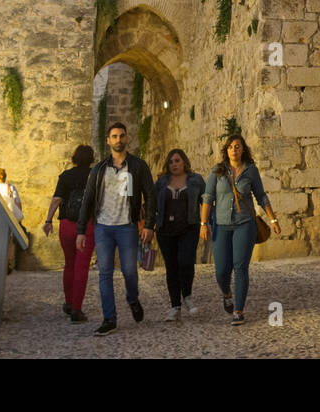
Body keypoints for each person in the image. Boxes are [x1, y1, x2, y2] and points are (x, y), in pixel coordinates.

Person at [76, 122, 155, 336]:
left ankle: (132, 298)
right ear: (108, 141)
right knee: (105, 273)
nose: (118, 140)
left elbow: (150, 195)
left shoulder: (138, 166)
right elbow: (88, 199)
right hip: (103, 227)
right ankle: (109, 318)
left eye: (121, 136)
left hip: (127, 227)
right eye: (114, 136)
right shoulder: (100, 169)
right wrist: (81, 230)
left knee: (130, 271)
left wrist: (149, 225)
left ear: (126, 138)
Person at [199, 134, 280, 325]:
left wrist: (273, 218)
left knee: (240, 267)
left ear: (243, 149)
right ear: (226, 151)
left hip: (245, 224)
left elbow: (261, 196)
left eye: (237, 146)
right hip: (221, 226)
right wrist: (203, 224)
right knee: (221, 270)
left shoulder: (251, 171)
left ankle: (238, 310)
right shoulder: (217, 171)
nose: (234, 150)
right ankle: (227, 293)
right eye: (230, 147)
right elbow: (208, 198)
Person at [43, 145, 95, 323]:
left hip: (66, 224)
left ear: (74, 158)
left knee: (69, 264)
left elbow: (57, 199)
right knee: (82, 266)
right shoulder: (95, 175)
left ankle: (68, 302)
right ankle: (77, 309)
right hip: (87, 225)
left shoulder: (65, 176)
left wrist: (48, 220)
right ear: (91, 159)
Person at [153, 149, 206, 322]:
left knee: (186, 261)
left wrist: (206, 223)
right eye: (171, 162)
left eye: (177, 160)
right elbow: (152, 203)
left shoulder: (196, 180)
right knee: (171, 268)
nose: (174, 164)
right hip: (165, 231)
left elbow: (205, 202)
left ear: (184, 162)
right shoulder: (161, 182)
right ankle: (175, 307)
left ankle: (187, 296)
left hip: (189, 229)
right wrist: (146, 225)